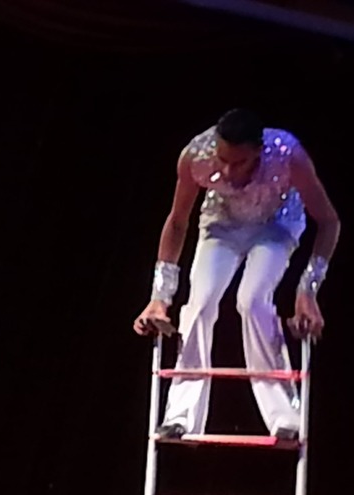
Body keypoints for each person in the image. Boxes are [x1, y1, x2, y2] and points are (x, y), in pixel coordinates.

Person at [133, 108, 340, 440]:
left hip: (276, 225)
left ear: (258, 151)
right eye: (223, 160)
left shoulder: (288, 155)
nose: (228, 171)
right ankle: (181, 415)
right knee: (200, 303)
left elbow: (329, 222)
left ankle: (284, 416)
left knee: (253, 300)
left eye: (239, 162)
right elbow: (177, 222)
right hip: (222, 224)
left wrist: (308, 289)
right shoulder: (196, 156)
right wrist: (160, 296)